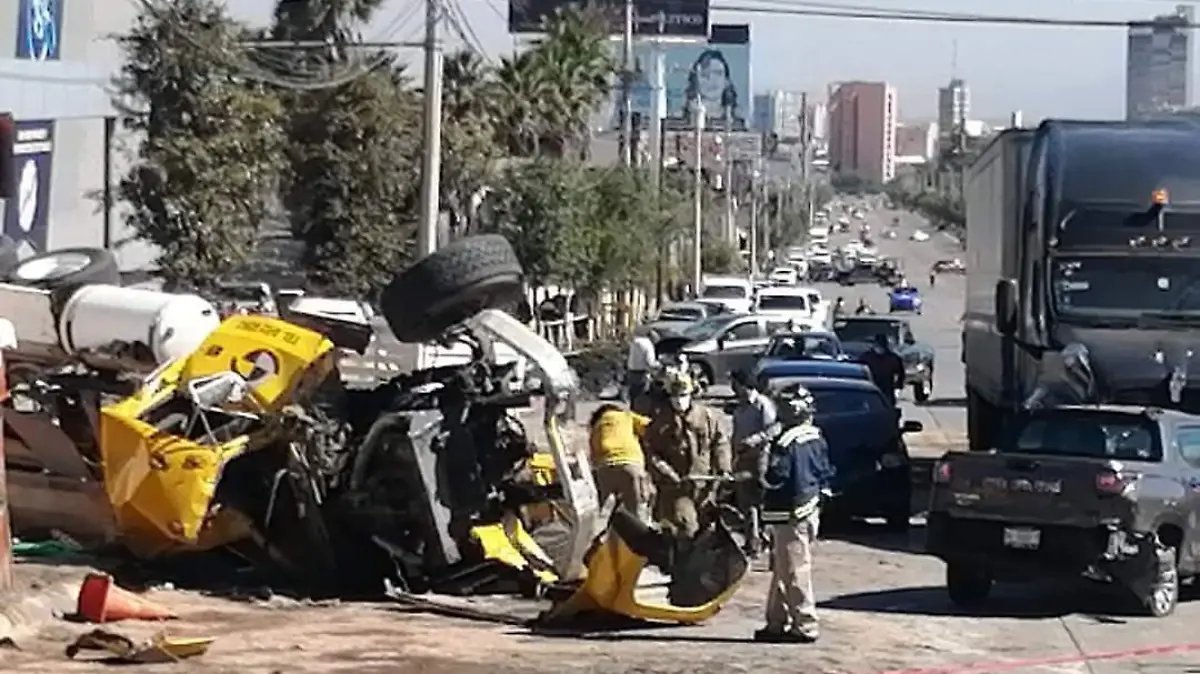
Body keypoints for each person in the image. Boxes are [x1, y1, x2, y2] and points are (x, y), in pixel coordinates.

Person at [754, 383, 834, 644]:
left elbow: (777, 479)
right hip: (809, 511)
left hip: (790, 516)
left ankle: (805, 625)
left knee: (794, 571)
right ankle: (776, 622)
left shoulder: (785, 443)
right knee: (783, 569)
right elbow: (824, 472)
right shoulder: (815, 435)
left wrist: (756, 478)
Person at [642, 371, 731, 538]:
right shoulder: (659, 422)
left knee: (710, 531)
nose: (678, 400)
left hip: (705, 487)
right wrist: (668, 473)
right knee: (686, 527)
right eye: (674, 396)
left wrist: (723, 468)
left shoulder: (707, 417)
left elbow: (720, 443)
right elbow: (651, 455)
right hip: (675, 489)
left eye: (683, 395)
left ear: (691, 395)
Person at [730, 370, 782, 556]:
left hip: (759, 459)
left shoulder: (762, 404)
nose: (733, 388)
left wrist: (753, 440)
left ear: (744, 385)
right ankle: (752, 541)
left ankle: (762, 541)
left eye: (736, 384)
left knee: (758, 502)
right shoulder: (740, 407)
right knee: (745, 503)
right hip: (741, 459)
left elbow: (773, 429)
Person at [588, 404, 651, 521]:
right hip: (630, 463)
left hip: (604, 467)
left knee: (601, 513)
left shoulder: (596, 426)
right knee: (636, 511)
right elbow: (649, 427)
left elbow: (593, 455)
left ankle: (601, 530)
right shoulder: (626, 416)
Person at [682, 49, 744, 129]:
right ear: (695, 80)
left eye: (717, 73)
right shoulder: (677, 119)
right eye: (705, 74)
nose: (712, 80)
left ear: (726, 82)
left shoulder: (738, 123)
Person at [859, 333, 906, 407]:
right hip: (870, 387)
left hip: (887, 389)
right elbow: (859, 370)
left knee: (887, 407)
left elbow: (901, 373)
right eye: (878, 346)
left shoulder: (893, 358)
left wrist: (898, 386)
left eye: (881, 347)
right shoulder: (866, 357)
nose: (880, 349)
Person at [626, 329, 659, 409]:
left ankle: (632, 411)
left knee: (633, 396)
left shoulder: (636, 341)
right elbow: (650, 362)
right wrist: (659, 364)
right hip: (642, 374)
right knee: (642, 396)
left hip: (631, 372)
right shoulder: (648, 345)